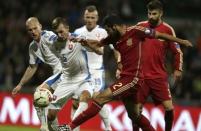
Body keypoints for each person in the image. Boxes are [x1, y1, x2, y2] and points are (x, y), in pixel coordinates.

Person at [57, 14, 192, 131]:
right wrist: (82, 40)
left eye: (108, 30)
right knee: (134, 115)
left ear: (114, 26)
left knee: (100, 98)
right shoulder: (114, 38)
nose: (108, 33)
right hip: (125, 77)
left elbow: (160, 35)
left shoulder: (136, 31)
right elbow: (98, 44)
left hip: (134, 79)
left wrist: (182, 41)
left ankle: (70, 126)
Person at [136, 1, 183, 130]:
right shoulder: (140, 26)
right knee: (136, 110)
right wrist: (121, 64)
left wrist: (178, 68)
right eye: (149, 13)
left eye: (154, 14)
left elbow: (177, 51)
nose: (151, 16)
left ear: (161, 13)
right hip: (141, 76)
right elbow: (127, 45)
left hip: (159, 76)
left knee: (169, 108)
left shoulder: (167, 30)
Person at [11, 17, 63, 131]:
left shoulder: (48, 36)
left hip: (65, 71)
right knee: (51, 114)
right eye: (30, 30)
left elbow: (60, 40)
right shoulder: (33, 47)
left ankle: (43, 127)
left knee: (40, 93)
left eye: (35, 28)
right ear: (27, 31)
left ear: (40, 26)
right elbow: (32, 67)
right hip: (58, 73)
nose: (33, 31)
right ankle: (52, 128)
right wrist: (20, 84)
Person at [46, 17, 95, 131]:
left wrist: (85, 43)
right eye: (57, 32)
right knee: (50, 115)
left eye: (61, 31)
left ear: (67, 28)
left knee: (84, 98)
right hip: (67, 81)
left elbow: (93, 49)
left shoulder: (78, 38)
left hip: (83, 78)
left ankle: (70, 128)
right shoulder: (54, 45)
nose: (59, 34)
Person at [72, 5, 112, 131]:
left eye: (92, 17)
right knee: (75, 103)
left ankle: (108, 128)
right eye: (87, 17)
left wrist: (120, 63)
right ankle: (74, 128)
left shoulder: (103, 32)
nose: (89, 20)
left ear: (97, 18)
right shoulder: (78, 32)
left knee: (97, 97)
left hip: (96, 72)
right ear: (84, 17)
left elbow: (115, 48)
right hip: (81, 72)